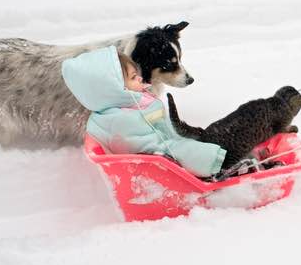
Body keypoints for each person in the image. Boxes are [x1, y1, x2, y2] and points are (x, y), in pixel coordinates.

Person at [61, 46, 226, 177]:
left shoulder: (131, 103)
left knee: (207, 139)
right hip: (162, 165)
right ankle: (221, 165)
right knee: (200, 153)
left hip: (169, 145)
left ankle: (219, 154)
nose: (140, 78)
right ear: (114, 89)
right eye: (133, 77)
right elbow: (149, 150)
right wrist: (198, 154)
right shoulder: (120, 121)